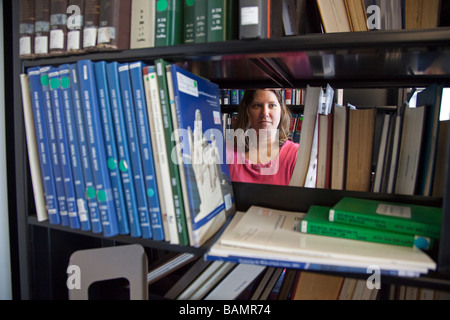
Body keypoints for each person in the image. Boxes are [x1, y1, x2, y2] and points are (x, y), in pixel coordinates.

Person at [226, 89, 299, 185]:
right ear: (247, 111)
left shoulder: (297, 155)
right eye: (257, 106)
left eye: (272, 105)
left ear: (281, 111)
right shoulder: (226, 152)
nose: (265, 113)